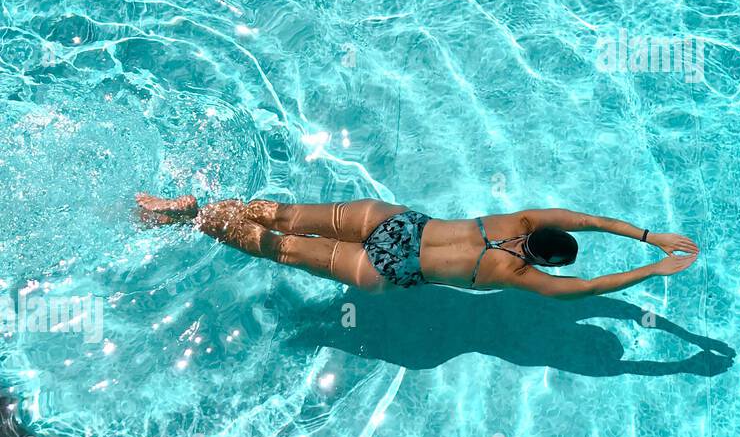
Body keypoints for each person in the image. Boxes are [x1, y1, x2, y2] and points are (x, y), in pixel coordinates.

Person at [135, 193, 699, 298]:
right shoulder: (518, 275)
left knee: (282, 213)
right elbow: (589, 287)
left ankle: (189, 205)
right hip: (390, 268)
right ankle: (191, 223)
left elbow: (587, 218)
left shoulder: (521, 217)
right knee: (279, 248)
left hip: (396, 222)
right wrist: (652, 270)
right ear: (542, 259)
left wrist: (652, 236)